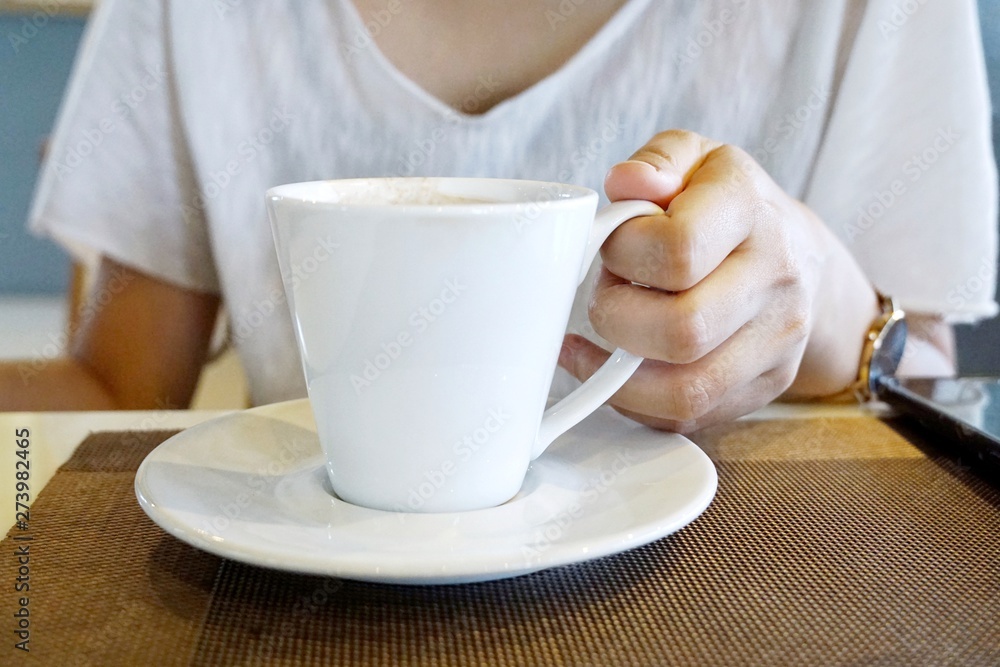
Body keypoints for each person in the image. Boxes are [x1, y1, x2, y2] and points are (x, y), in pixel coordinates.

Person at [0, 0, 996, 433]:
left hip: (739, 599)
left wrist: (817, 294)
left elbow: (926, 388)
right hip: (314, 613)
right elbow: (116, 386)